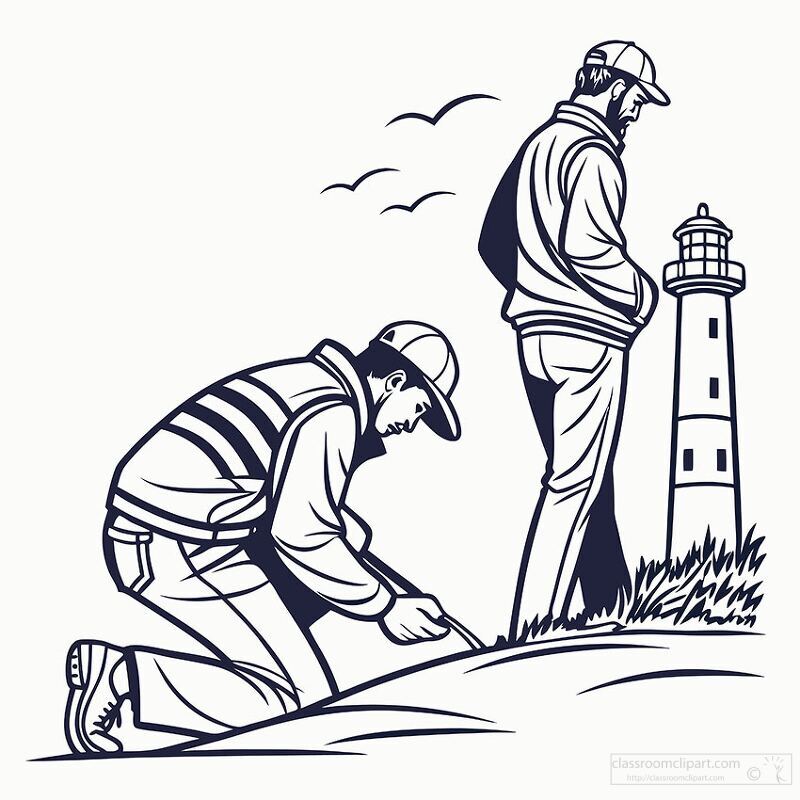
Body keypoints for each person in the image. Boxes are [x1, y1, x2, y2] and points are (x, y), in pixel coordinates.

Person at [65, 321, 461, 753]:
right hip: (176, 541)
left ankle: (161, 671)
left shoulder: (310, 381)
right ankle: (121, 677)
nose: (412, 425)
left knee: (351, 536)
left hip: (168, 531)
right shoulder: (334, 411)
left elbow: (284, 500)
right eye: (418, 408)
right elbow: (300, 532)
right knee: (301, 705)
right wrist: (383, 604)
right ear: (394, 382)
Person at [478, 41, 669, 639]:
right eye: (636, 98)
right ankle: (531, 629)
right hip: (585, 337)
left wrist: (535, 289)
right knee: (573, 487)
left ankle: (610, 606)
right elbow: (589, 248)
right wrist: (643, 294)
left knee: (589, 483)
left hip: (533, 336)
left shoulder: (536, 145)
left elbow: (489, 242)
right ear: (611, 86)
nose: (636, 113)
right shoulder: (593, 153)